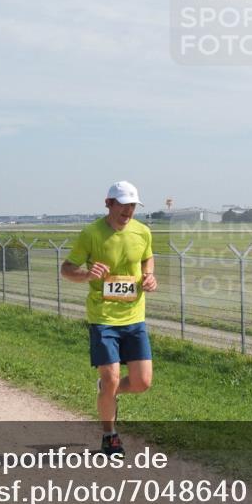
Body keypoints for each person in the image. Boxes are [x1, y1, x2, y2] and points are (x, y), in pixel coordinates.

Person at [61, 181, 157, 456]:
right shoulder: (91, 233)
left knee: (141, 383)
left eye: (132, 205)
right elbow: (66, 269)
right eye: (122, 204)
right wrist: (87, 275)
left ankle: (107, 390)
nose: (127, 210)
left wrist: (150, 276)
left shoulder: (143, 232)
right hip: (103, 317)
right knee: (112, 375)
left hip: (134, 316)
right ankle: (110, 436)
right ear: (108, 204)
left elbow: (147, 260)